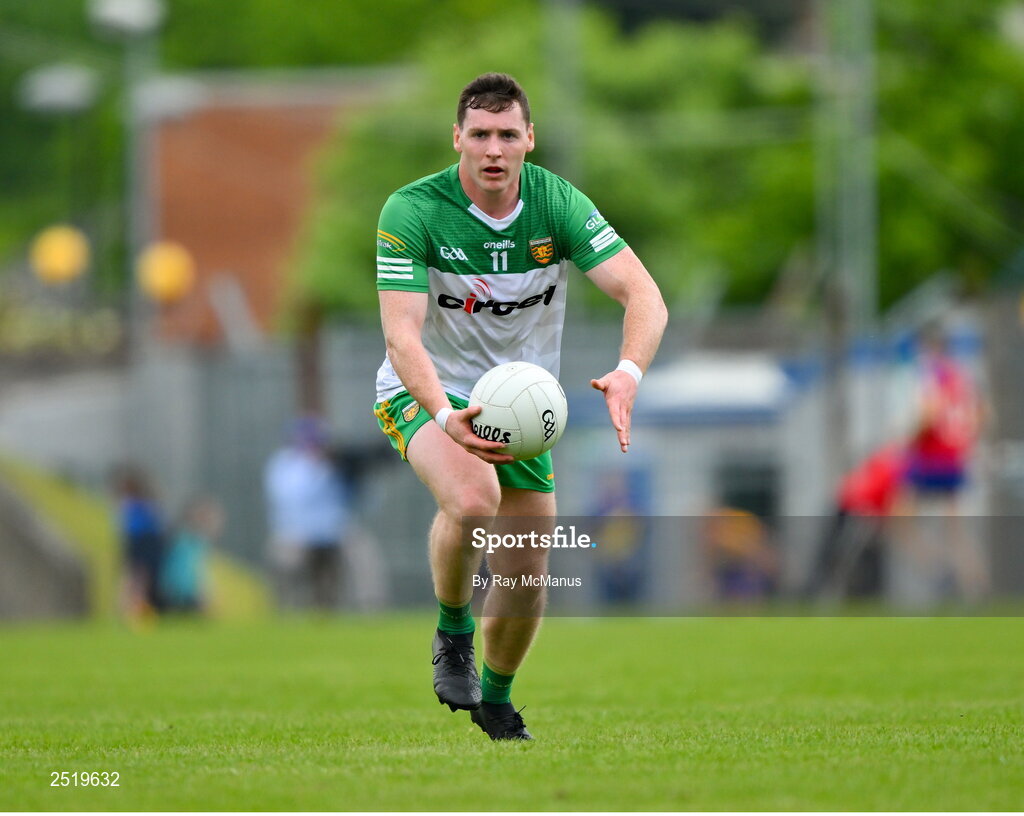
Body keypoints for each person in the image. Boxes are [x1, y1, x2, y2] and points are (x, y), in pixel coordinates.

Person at [372, 73, 667, 740]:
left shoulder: (556, 205)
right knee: (474, 499)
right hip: (428, 389)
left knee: (528, 573)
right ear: (457, 139)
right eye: (480, 134)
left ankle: (498, 703)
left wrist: (627, 372)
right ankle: (453, 633)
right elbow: (401, 333)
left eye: (508, 134)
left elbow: (645, 295)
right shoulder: (413, 210)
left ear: (530, 140)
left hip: (520, 405)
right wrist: (445, 418)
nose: (494, 149)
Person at [899, 324, 989, 601]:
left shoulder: (932, 372)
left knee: (899, 518)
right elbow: (981, 413)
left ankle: (940, 571)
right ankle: (973, 583)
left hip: (931, 456)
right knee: (954, 527)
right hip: (954, 457)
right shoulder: (961, 375)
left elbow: (929, 413)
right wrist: (965, 443)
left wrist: (908, 441)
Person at [264, 415, 350, 611]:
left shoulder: (335, 464)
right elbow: (290, 496)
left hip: (331, 533)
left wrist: (354, 477)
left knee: (359, 558)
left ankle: (366, 611)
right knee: (286, 565)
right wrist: (318, 470)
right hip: (295, 534)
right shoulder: (283, 463)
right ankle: (288, 614)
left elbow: (353, 503)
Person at [110, 463, 166, 622]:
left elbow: (155, 525)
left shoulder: (145, 504)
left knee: (141, 581)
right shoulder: (129, 505)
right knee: (134, 580)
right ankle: (130, 612)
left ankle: (138, 612)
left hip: (147, 543)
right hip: (136, 543)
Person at [160, 495, 223, 615]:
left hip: (182, 590)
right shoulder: (185, 540)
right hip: (181, 590)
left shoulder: (194, 541)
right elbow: (185, 570)